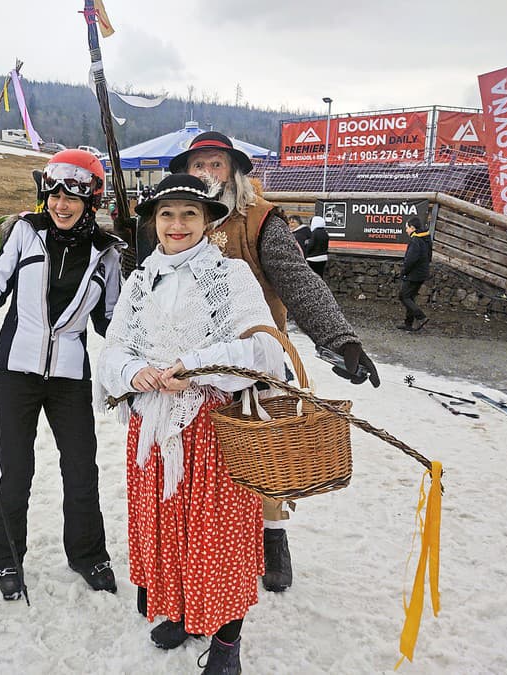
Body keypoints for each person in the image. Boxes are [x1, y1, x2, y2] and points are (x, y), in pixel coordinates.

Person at [168, 131, 381, 600]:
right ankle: (205, 548)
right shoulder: (179, 220)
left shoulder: (261, 220)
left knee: (265, 459)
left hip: (254, 362)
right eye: (198, 166)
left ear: (235, 173)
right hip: (193, 371)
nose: (206, 174)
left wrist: (341, 340)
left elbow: (299, 283)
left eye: (216, 165)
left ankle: (273, 537)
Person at [98, 173, 285, 673]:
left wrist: (197, 366)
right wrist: (137, 373)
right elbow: (114, 350)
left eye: (188, 214)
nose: (176, 224)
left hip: (213, 429)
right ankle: (183, 611)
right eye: (166, 214)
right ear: (153, 222)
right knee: (168, 531)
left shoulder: (232, 277)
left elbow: (264, 350)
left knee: (217, 538)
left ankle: (227, 643)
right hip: (155, 430)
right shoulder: (141, 281)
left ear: (207, 222)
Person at [0, 149, 123, 600]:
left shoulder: (107, 254)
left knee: (81, 468)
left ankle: (87, 554)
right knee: (16, 469)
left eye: (72, 198)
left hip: (69, 377)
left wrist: (141, 339)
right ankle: (6, 554)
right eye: (54, 195)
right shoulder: (26, 231)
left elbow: (114, 321)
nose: (61, 205)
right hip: (16, 372)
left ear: (91, 201)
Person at [397, 216, 432, 331]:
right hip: (422, 272)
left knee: (403, 296)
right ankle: (408, 324)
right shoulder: (426, 237)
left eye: (407, 228)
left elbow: (410, 260)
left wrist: (404, 272)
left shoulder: (415, 240)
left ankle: (421, 317)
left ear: (412, 228)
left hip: (414, 274)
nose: (405, 230)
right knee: (410, 297)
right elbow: (429, 255)